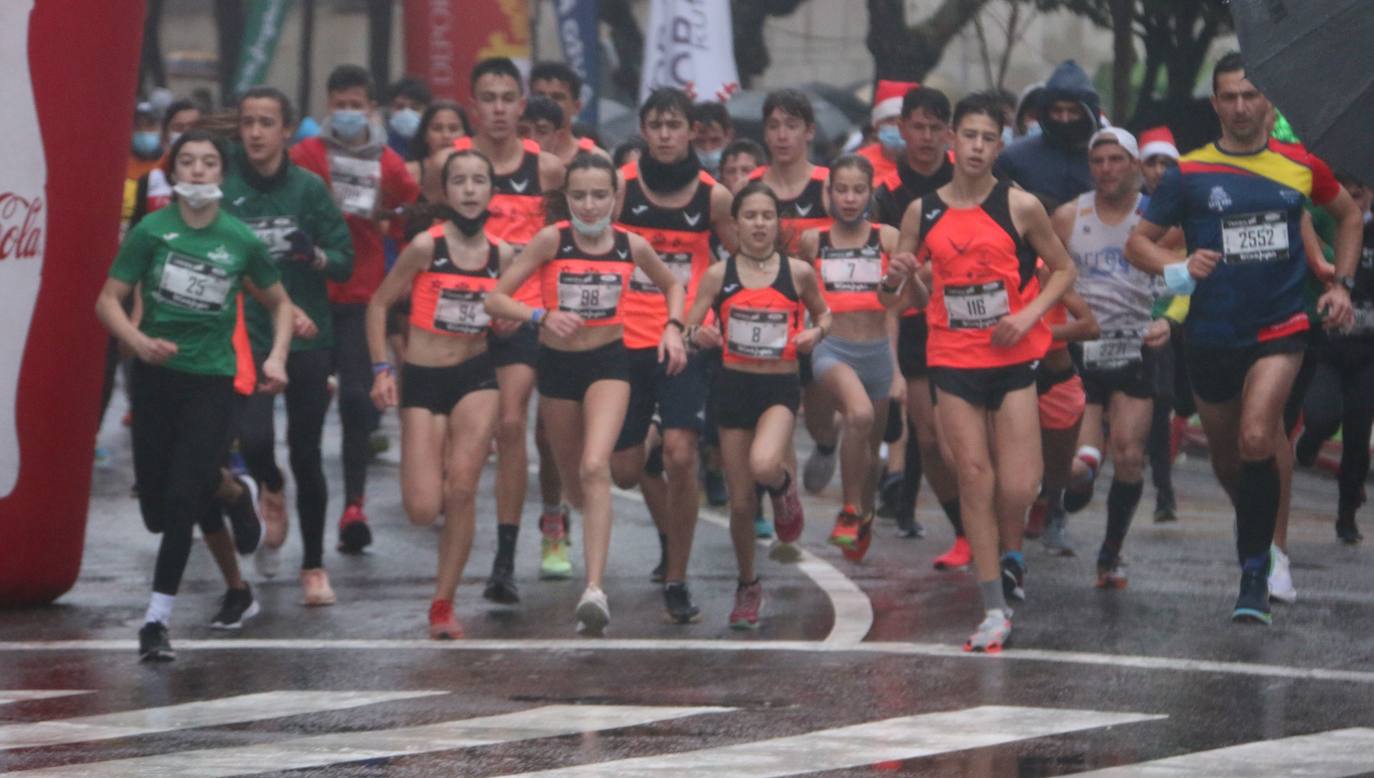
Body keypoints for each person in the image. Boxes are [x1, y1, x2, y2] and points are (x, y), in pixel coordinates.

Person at [1125, 52, 1362, 625]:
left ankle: (1256, 571)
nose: (1240, 106)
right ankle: (1257, 532)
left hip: (1279, 327)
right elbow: (1140, 243)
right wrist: (1179, 271)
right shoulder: (1190, 172)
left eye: (1250, 95)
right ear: (1216, 105)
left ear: (1269, 103)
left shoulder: (1300, 165)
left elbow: (1349, 216)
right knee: (1232, 461)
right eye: (1229, 96)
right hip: (1210, 335)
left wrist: (1343, 286)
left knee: (1261, 435)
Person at [96, 130, 294, 661]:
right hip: (156, 378)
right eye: (189, 162)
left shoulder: (239, 239)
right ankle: (232, 493)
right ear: (174, 173)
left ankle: (155, 622)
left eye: (209, 163)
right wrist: (136, 340)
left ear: (220, 174)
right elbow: (108, 300)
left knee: (183, 502)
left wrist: (275, 357)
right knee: (158, 511)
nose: (200, 171)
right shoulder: (152, 233)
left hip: (211, 380)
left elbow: (279, 303)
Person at [892, 93, 1076, 652]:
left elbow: (1063, 271)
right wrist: (904, 276)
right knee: (974, 476)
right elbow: (907, 289)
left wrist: (1026, 315)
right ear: (952, 140)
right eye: (967, 135)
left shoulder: (1020, 206)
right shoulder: (921, 212)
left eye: (987, 138)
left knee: (1017, 486)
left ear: (1001, 146)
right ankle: (993, 609)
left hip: (1012, 359)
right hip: (951, 360)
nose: (975, 147)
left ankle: (1013, 548)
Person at [485, 152, 687, 635]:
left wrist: (673, 328)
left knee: (598, 467)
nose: (591, 205)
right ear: (566, 199)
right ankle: (574, 523)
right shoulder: (550, 240)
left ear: (616, 198)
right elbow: (495, 297)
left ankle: (594, 590)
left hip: (609, 364)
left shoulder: (630, 245)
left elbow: (672, 285)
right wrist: (540, 316)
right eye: (580, 196)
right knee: (576, 486)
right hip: (557, 367)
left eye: (600, 195)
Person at [367, 148, 517, 639]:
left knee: (463, 489)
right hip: (424, 380)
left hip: (475, 375)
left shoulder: (504, 254)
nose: (471, 190)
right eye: (460, 181)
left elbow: (513, 324)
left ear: (491, 191)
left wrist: (505, 323)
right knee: (422, 508)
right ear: (445, 192)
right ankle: (431, 461)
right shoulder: (425, 247)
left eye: (480, 180)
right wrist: (382, 369)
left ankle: (443, 605)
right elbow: (379, 304)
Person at [609, 88, 734, 622]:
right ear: (643, 130)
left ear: (690, 131)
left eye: (673, 125)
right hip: (620, 340)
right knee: (622, 471)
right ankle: (665, 520)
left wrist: (715, 323)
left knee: (683, 455)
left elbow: (735, 267)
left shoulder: (714, 197)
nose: (664, 134)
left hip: (681, 338)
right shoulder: (620, 188)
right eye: (655, 125)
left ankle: (678, 577)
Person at [227, 86, 355, 604]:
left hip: (308, 340)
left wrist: (316, 257)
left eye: (266, 122)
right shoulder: (225, 186)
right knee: (254, 440)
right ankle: (269, 486)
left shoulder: (309, 190)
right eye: (248, 122)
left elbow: (345, 260)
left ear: (286, 131)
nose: (255, 132)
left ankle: (313, 564)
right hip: (247, 337)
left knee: (307, 452)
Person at [683, 181, 831, 628]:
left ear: (778, 223)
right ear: (735, 224)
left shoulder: (797, 273)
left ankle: (785, 493)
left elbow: (825, 313)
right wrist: (700, 334)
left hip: (779, 389)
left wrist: (815, 334)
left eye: (768, 216)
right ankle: (748, 585)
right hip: (732, 388)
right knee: (741, 503)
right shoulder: (718, 274)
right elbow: (690, 327)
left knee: (766, 463)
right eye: (751, 216)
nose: (760, 224)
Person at [291, 64, 420, 559]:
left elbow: (410, 211)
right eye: (339, 105)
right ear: (329, 104)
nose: (347, 114)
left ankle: (354, 508)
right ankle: (300, 499)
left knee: (356, 404)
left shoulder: (388, 163)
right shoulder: (305, 155)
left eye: (355, 106)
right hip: (311, 296)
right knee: (306, 408)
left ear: (371, 107)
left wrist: (390, 226)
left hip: (362, 296)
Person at [457, 56, 568, 596]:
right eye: (489, 98)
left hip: (525, 315)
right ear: (473, 105)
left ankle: (532, 535)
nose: (498, 109)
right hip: (465, 316)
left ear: (521, 106)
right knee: (491, 431)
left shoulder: (546, 170)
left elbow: (563, 243)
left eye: (508, 99)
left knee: (524, 426)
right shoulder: (451, 164)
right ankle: (490, 555)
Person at [1052, 127, 1170, 588]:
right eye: (1098, 160)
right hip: (1082, 345)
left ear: (1136, 165)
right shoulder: (1068, 216)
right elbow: (1048, 277)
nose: (1107, 169)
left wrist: (1168, 318)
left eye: (1116, 159)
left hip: (1137, 344)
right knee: (1080, 462)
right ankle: (1072, 488)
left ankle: (1111, 551)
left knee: (1128, 455)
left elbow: (1185, 274)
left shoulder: (1159, 217)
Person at [876, 86, 966, 565]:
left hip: (971, 326)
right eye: (918, 126)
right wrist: (888, 367)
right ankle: (965, 532)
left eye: (936, 127)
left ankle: (994, 524)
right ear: (901, 129)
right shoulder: (886, 196)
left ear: (949, 133)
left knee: (962, 442)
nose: (927, 137)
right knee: (929, 440)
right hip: (914, 328)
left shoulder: (971, 181)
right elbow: (886, 289)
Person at [796, 155, 901, 561]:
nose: (850, 198)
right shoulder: (813, 241)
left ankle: (865, 509)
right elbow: (797, 292)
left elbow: (904, 299)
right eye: (842, 189)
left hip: (875, 352)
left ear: (870, 191)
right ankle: (849, 509)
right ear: (829, 193)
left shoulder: (887, 239)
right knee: (857, 416)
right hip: (832, 348)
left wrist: (903, 280)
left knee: (870, 452)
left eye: (858, 190)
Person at [1295, 172, 1373, 544]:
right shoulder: (1320, 221)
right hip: (1325, 345)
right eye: (1348, 185)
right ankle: (1309, 442)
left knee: (1358, 437)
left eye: (1363, 185)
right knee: (1324, 415)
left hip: (1367, 351)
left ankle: (1346, 516)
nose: (1356, 190)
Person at [1137, 125, 1184, 523]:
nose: (1159, 170)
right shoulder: (1128, 211)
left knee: (1168, 400)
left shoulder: (1188, 212)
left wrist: (1170, 317)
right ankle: (1162, 491)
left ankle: (1164, 488)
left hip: (1178, 319)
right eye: (1151, 162)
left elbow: (1188, 277)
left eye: (1167, 162)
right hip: (1133, 320)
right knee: (1156, 400)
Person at [995, 60, 1101, 210]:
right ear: (1045, 112)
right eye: (1057, 111)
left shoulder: (1106, 157)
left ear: (1087, 113)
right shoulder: (1014, 158)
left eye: (1073, 111)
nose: (1064, 119)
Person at [529, 61, 609, 164]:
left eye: (557, 97)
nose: (547, 103)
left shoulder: (596, 158)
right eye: (540, 96)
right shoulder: (517, 155)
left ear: (576, 106)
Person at [855, 79, 918, 184]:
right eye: (890, 120)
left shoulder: (927, 162)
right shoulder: (859, 164)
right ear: (876, 126)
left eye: (902, 119)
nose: (897, 126)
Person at [386, 75, 432, 157]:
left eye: (415, 108)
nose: (407, 113)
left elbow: (462, 145)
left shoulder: (437, 135)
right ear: (390, 108)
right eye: (400, 107)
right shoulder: (379, 138)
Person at [689, 101, 734, 178]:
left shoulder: (741, 171)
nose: (707, 149)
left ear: (728, 136)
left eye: (715, 140)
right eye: (700, 141)